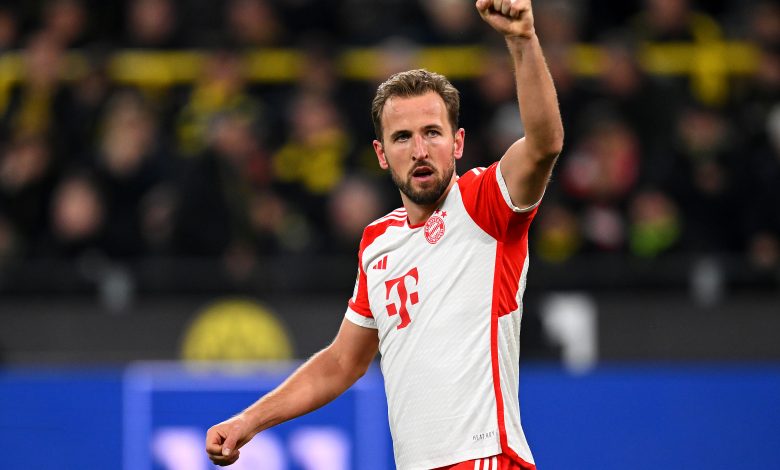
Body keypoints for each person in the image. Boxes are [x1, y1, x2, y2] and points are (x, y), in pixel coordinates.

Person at [205, 0, 563, 468]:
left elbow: (543, 145)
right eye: (402, 137)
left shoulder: (484, 203)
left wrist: (522, 41)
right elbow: (341, 362)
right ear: (380, 153)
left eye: (432, 132)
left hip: (483, 457)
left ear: (457, 142)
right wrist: (248, 421)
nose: (419, 149)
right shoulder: (378, 243)